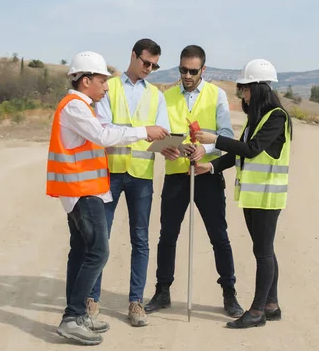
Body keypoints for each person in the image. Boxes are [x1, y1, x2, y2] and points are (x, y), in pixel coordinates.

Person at [46, 51, 168, 345]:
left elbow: (102, 133)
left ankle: (76, 315)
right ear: (86, 80)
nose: (105, 86)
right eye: (102, 80)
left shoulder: (82, 106)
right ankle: (73, 316)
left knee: (80, 251)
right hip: (81, 192)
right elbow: (103, 136)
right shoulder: (75, 107)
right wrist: (144, 131)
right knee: (98, 252)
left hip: (83, 191)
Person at [144, 44, 244, 318]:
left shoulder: (217, 95)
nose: (186, 75)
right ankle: (162, 291)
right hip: (177, 175)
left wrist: (206, 150)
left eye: (192, 71)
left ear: (203, 69)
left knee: (219, 237)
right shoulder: (167, 96)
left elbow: (224, 134)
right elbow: (161, 134)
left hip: (206, 175)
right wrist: (168, 146)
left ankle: (229, 293)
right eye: (182, 70)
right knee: (168, 236)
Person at [193, 58, 293, 329]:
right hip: (254, 197)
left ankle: (258, 311)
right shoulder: (257, 120)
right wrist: (211, 167)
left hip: (267, 198)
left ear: (259, 88)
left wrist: (214, 139)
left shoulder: (277, 118)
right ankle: (271, 305)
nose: (243, 94)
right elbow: (240, 152)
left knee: (263, 253)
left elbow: (251, 150)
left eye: (246, 89)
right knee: (264, 251)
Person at [89, 39, 170, 327]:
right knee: (101, 236)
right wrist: (143, 132)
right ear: (133, 56)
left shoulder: (156, 96)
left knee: (141, 240)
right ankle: (91, 298)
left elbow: (161, 133)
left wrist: (168, 144)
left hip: (141, 175)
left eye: (154, 65)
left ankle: (136, 302)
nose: (149, 69)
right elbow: (104, 128)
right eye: (146, 62)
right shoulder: (109, 87)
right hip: (110, 171)